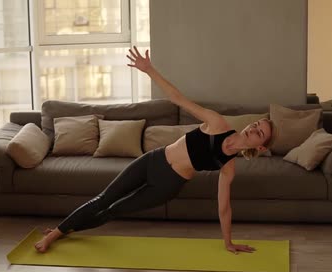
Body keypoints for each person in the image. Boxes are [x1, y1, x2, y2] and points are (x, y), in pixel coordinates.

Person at [34, 46, 277, 254]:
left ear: (260, 146)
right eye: (255, 124)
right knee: (104, 199)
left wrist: (228, 242)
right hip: (153, 160)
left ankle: (68, 228)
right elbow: (177, 97)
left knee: (114, 210)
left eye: (260, 132)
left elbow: (224, 207)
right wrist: (149, 69)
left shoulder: (228, 166)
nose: (253, 129)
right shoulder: (217, 123)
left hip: (167, 185)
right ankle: (56, 233)